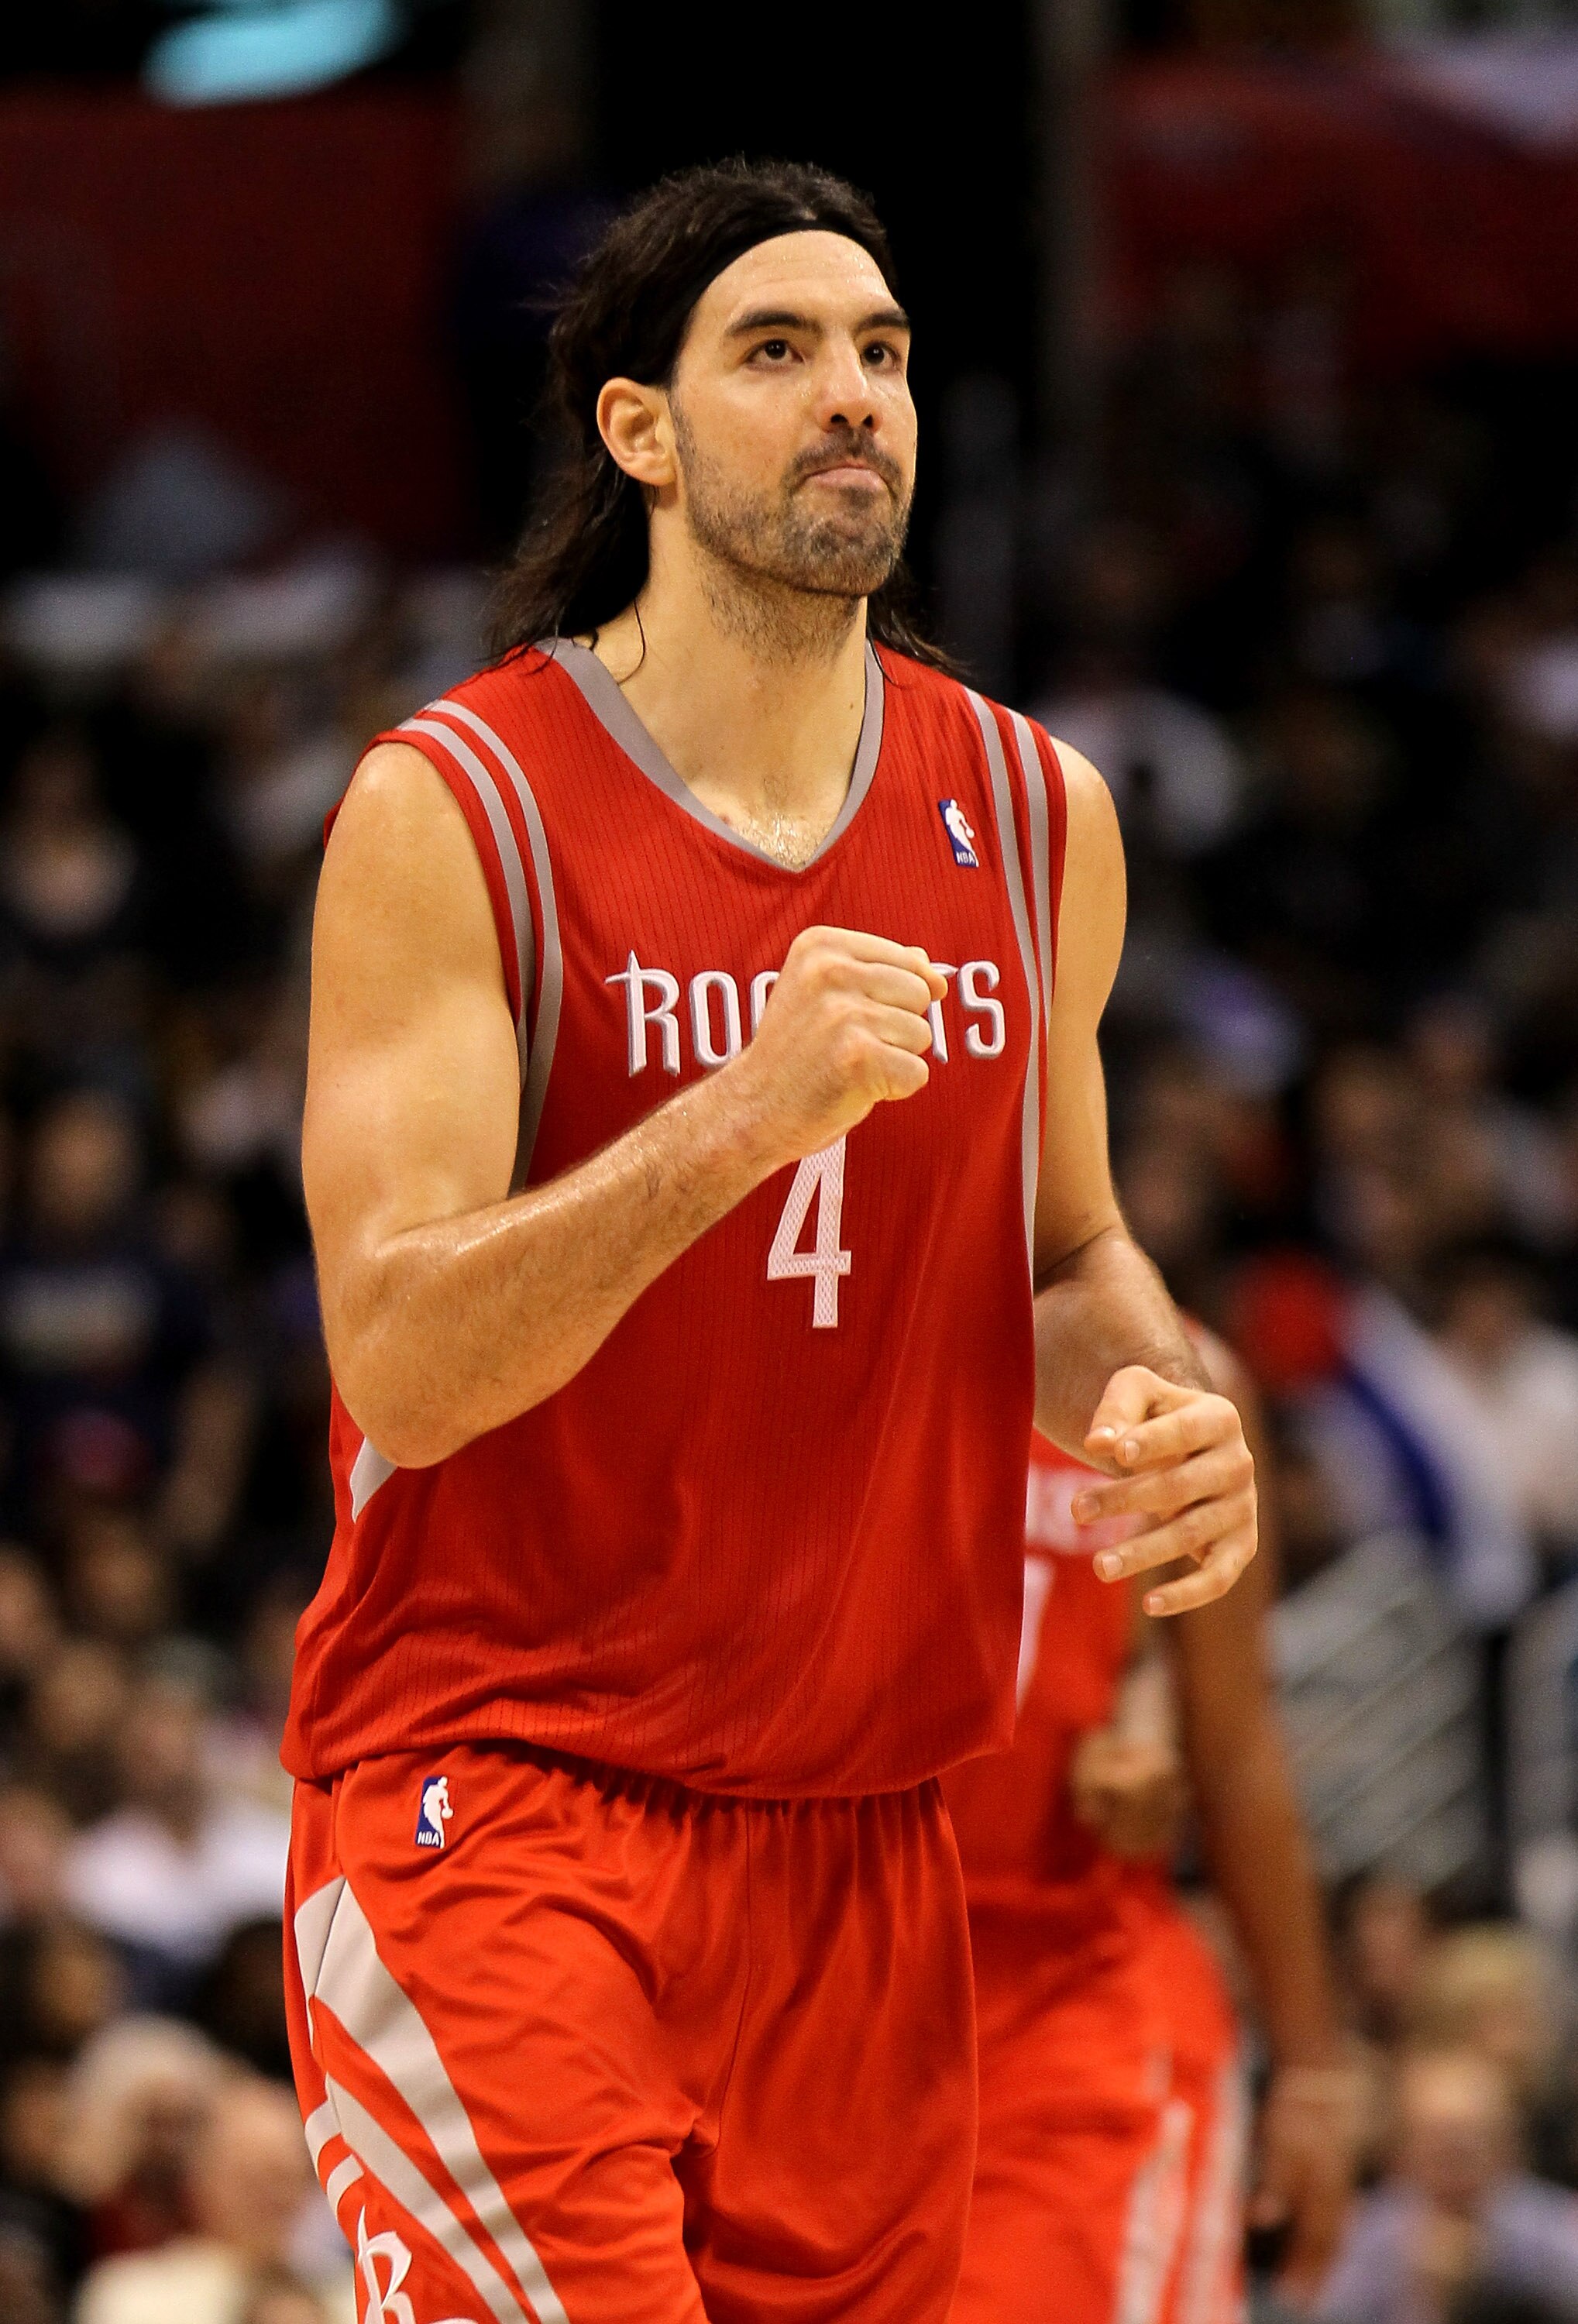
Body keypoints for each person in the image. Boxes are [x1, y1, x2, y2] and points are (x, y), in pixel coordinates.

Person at [282, 159, 1257, 2324]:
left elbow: (1068, 1253)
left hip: (866, 1848)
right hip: (506, 1802)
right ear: (636, 429)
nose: (853, 399)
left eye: (884, 357)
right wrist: (737, 1113)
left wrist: (1160, 1395)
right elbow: (404, 1365)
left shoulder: (1027, 814)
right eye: (779, 350)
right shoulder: (456, 808)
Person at [947, 1334, 1353, 2324]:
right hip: (815, 1981)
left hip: (1063, 1991)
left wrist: (1309, 2075)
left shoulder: (1175, 1375)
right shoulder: (823, 1312)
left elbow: (1235, 1748)